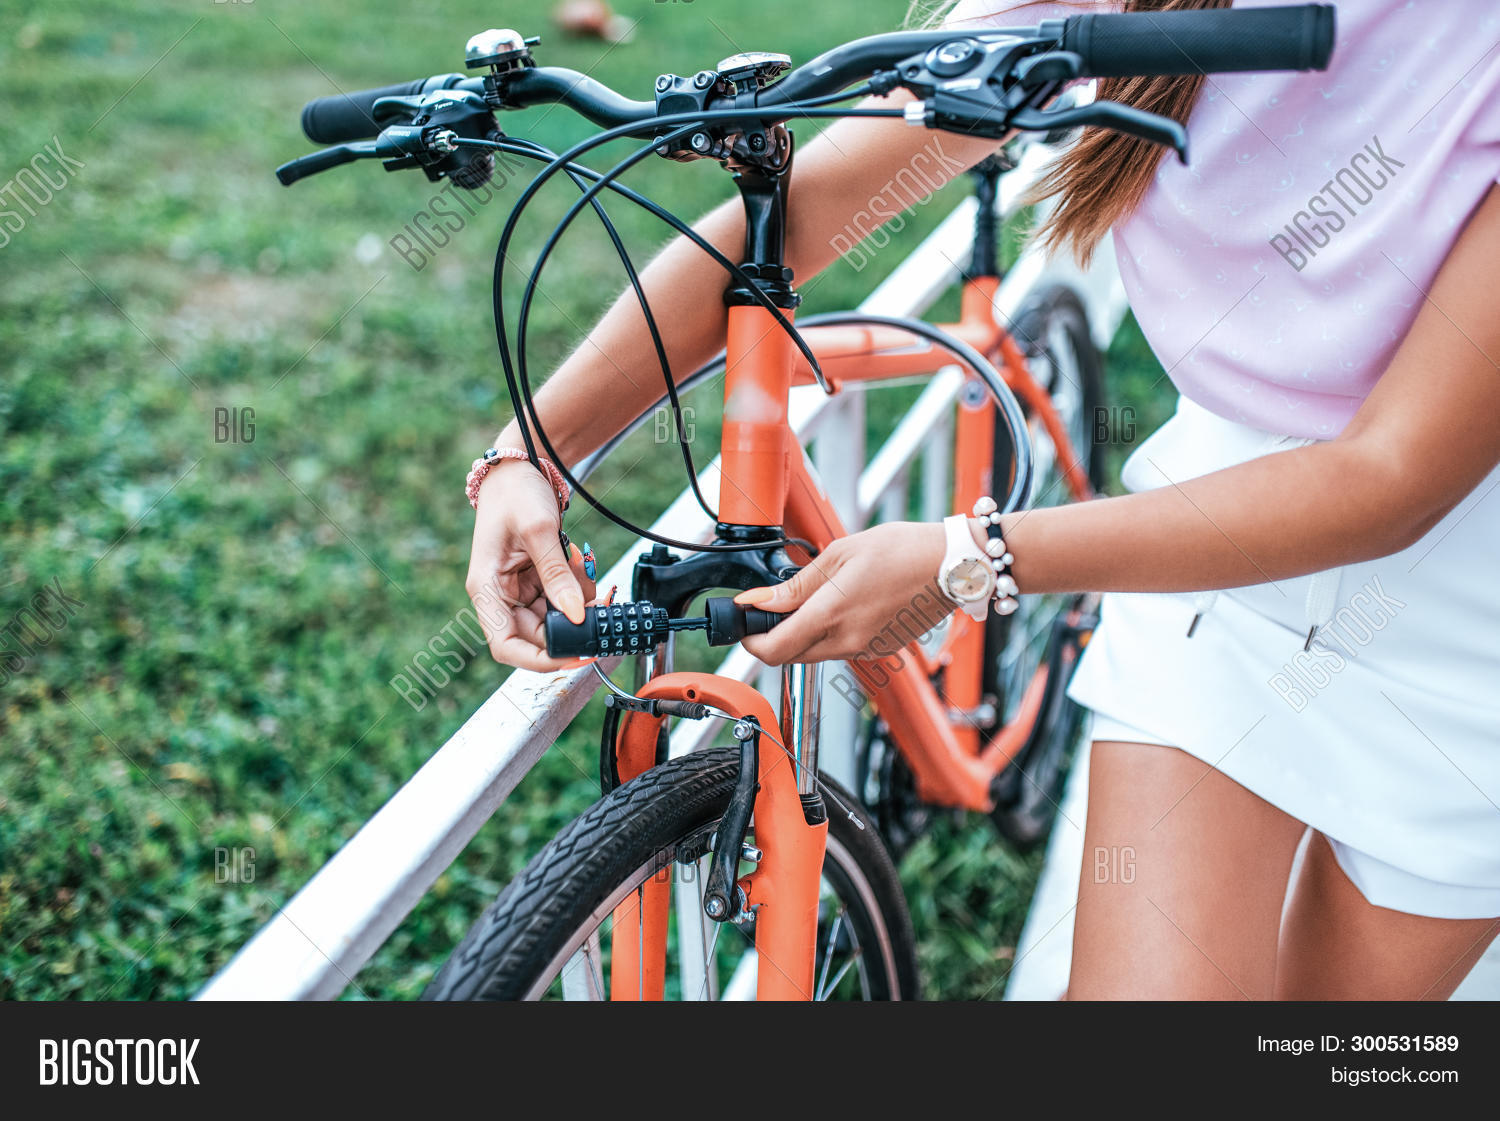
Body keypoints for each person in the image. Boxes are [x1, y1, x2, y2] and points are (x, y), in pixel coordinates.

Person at [465, 0, 1500, 999]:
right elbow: (804, 210)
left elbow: (1389, 477)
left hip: (1465, 612)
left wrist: (973, 555)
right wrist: (533, 450)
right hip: (1209, 550)